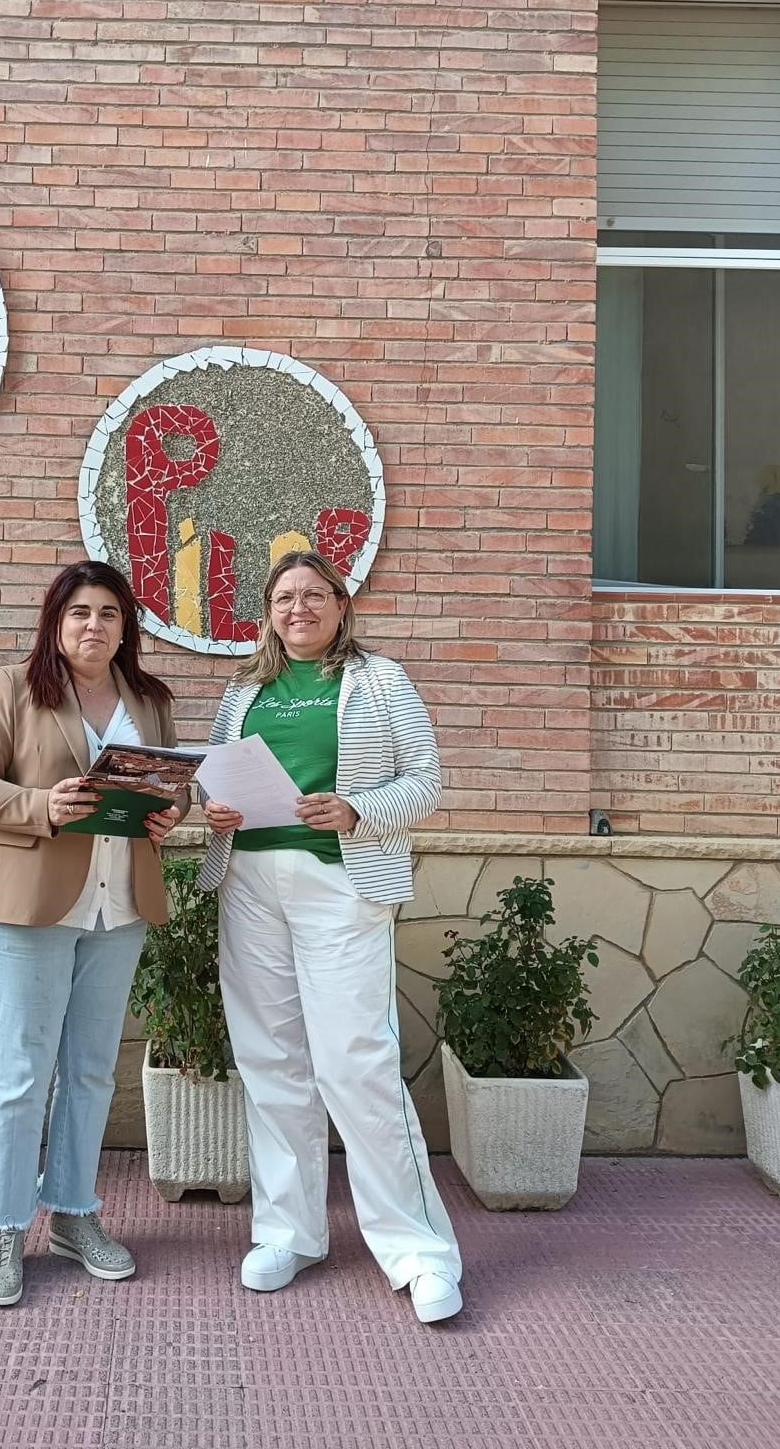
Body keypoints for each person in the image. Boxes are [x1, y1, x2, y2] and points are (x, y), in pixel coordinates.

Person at [198, 549, 463, 1324]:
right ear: (268, 611)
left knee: (357, 1062)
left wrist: (354, 809)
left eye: (314, 595)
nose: (299, 608)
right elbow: (213, 777)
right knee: (271, 1060)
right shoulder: (243, 688)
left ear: (341, 606)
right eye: (284, 597)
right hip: (248, 885)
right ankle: (289, 1232)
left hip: (340, 886)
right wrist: (210, 807)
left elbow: (424, 781)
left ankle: (419, 1253)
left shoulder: (381, 680)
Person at [0, 560, 186, 1307]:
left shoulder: (148, 698)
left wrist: (172, 813)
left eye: (109, 613)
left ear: (126, 627)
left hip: (117, 909)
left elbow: (175, 784)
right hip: (28, 906)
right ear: (55, 620)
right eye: (80, 612)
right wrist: (41, 804)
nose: (94, 625)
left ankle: (75, 1216)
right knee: (22, 1075)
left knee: (88, 1072)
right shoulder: (13, 688)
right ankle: (6, 1229)